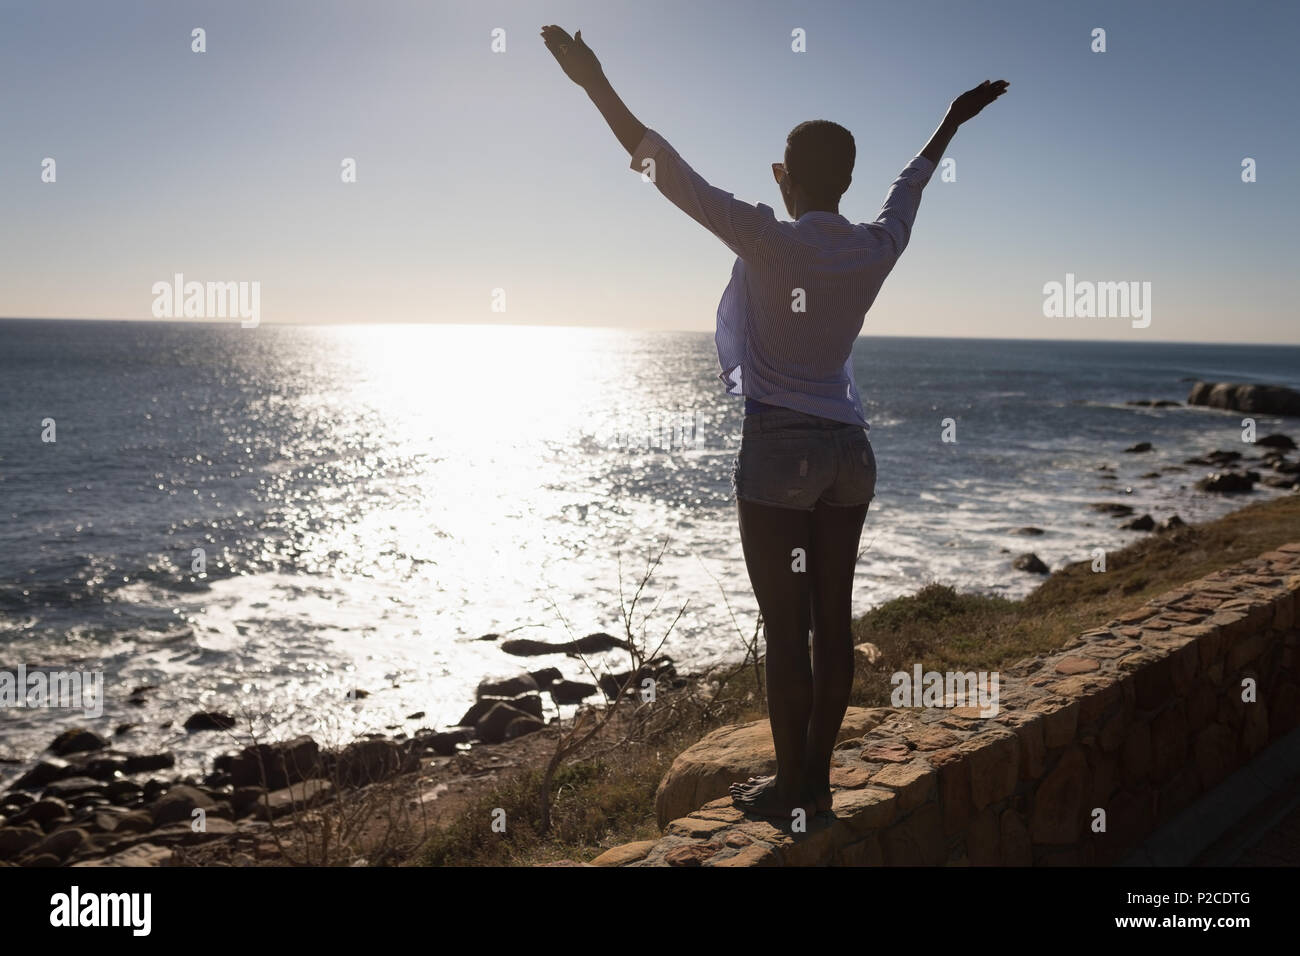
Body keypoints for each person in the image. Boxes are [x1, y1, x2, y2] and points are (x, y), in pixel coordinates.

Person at [541, 24, 1008, 820]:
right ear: (846, 179)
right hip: (849, 454)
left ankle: (791, 792)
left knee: (785, 631)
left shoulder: (763, 234)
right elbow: (912, 184)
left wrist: (593, 84)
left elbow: (662, 166)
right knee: (833, 622)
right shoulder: (873, 246)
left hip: (780, 453)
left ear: (785, 176)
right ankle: (813, 784)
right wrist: (950, 122)